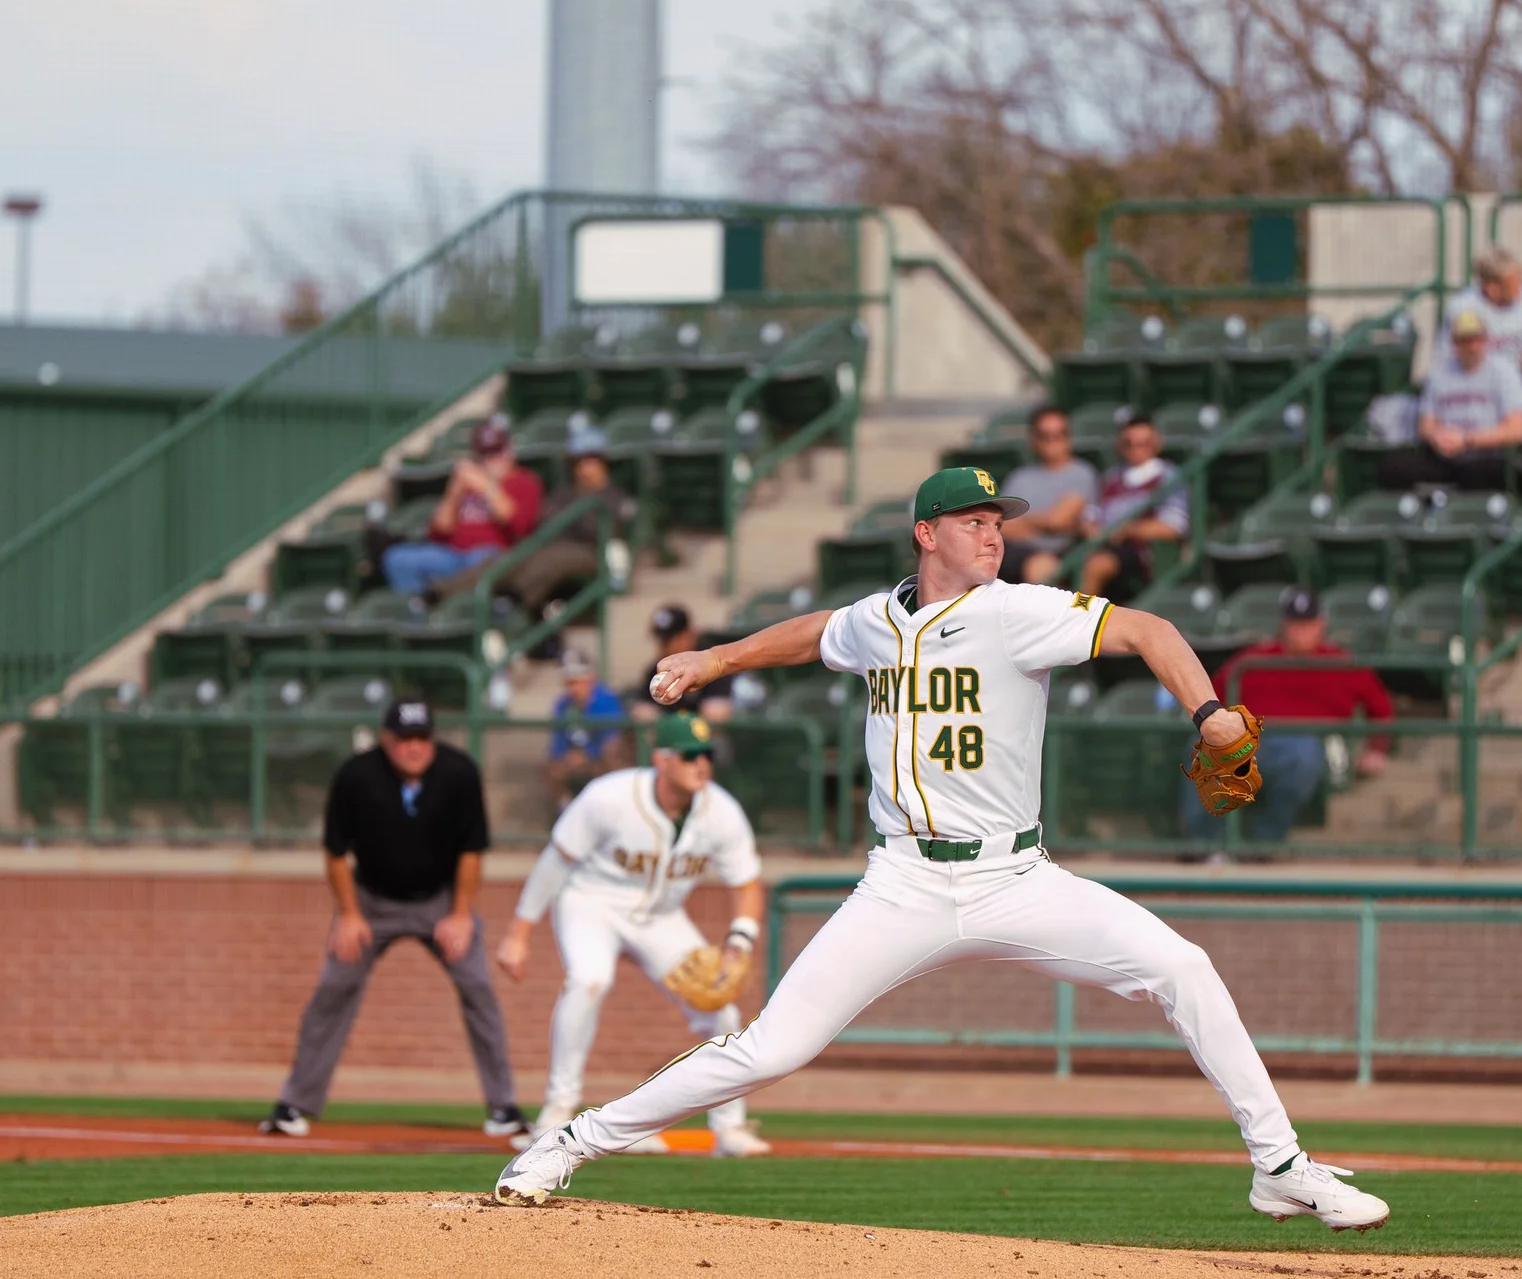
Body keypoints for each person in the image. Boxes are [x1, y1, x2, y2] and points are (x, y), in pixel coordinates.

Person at [495, 466, 1391, 1231]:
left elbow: (1150, 631)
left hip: (1017, 875)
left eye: (998, 522)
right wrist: (716, 659)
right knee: (771, 1048)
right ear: (927, 533)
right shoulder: (878, 621)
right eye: (973, 522)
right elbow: (814, 635)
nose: (993, 535)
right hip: (903, 882)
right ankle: (571, 1141)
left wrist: (1209, 712)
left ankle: (1279, 1166)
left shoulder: (1021, 613)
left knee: (1184, 966)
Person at [497, 712, 772, 1157]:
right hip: (592, 902)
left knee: (721, 1009)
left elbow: (746, 884)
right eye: (689, 756)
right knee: (589, 980)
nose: (701, 764)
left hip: (661, 916)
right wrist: (518, 932)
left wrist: (739, 942)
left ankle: (730, 1129)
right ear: (661, 759)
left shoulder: (720, 811)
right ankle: (557, 1111)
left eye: (706, 755)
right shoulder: (609, 797)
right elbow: (556, 861)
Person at [260, 700, 526, 1141]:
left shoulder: (459, 773)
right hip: (370, 901)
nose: (414, 748)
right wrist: (348, 915)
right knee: (333, 990)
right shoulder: (357, 775)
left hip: (441, 901)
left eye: (422, 738)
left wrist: (461, 915)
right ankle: (294, 1103)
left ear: (433, 739)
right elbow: (335, 853)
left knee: (479, 987)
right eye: (404, 740)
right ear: (386, 740)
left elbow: (472, 851)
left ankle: (504, 1107)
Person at [1182, 588, 1393, 848]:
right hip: (1253, 738)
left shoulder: (1343, 662)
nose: (1302, 631)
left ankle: (1264, 843)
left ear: (1321, 624)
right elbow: (1211, 698)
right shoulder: (1253, 659)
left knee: (1301, 755)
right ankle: (1205, 846)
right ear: (1284, 625)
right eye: (1296, 625)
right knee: (1203, 745)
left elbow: (1381, 709)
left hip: (1312, 743)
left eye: (1308, 624)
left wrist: (1376, 750)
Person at [431, 417, 636, 616]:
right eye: (579, 460)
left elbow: (603, 532)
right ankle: (439, 593)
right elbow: (543, 522)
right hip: (548, 546)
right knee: (506, 559)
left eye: (592, 459)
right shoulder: (563, 493)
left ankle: (512, 600)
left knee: (553, 558)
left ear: (603, 461)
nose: (585, 466)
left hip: (589, 553)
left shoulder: (614, 497)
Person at [383, 414, 544, 595]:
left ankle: (438, 602)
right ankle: (415, 612)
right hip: (452, 555)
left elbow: (519, 525)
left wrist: (486, 487)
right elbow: (439, 531)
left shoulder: (525, 481)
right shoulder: (466, 482)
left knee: (482, 562)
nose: (491, 461)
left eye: (496, 452)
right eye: (485, 454)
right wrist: (454, 494)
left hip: (492, 555)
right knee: (397, 558)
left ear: (509, 450)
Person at [1379, 311, 1522, 491]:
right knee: (1392, 468)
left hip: (1487, 454)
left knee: (1478, 472)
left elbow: (1516, 429)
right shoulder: (1439, 374)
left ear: (1485, 340)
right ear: (1455, 343)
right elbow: (1425, 424)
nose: (1472, 347)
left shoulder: (1504, 372)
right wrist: (1437, 436)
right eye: (1465, 341)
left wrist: (1467, 439)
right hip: (1446, 455)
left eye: (1477, 339)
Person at [1076, 412, 1189, 600]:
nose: (1136, 449)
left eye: (1143, 444)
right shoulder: (1112, 477)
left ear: (1156, 443)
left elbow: (1173, 526)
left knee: (1095, 566)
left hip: (1144, 552)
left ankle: (1080, 619)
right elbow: (1091, 515)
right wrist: (1091, 529)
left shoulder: (1167, 475)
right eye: (1129, 444)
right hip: (1106, 546)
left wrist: (1125, 530)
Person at [999, 405, 1098, 585]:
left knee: (1040, 567)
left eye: (1060, 434)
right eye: (1044, 436)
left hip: (1060, 554)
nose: (1053, 441)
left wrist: (1022, 522)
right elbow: (1000, 524)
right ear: (1033, 439)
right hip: (1012, 551)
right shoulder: (1020, 476)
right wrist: (1044, 524)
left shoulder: (1081, 473)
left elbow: (1058, 520)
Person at [1445, 247, 1522, 377]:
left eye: (1520, 279)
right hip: (1472, 380)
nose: (1521, 287)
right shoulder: (1462, 307)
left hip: (1519, 379)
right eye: (1514, 283)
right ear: (1490, 287)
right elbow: (1450, 357)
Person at [545, 648, 629, 810]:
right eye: (568, 682)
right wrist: (566, 758)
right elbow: (557, 746)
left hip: (600, 760)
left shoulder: (606, 701)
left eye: (576, 680)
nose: (573, 688)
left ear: (591, 677)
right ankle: (565, 812)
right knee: (552, 768)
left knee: (611, 759)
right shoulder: (563, 705)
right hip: (574, 761)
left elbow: (612, 741)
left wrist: (587, 754)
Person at [629, 604, 734, 724]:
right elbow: (643, 709)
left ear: (688, 636)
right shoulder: (655, 669)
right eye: (660, 640)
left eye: (668, 641)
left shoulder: (709, 662)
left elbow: (717, 713)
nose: (662, 646)